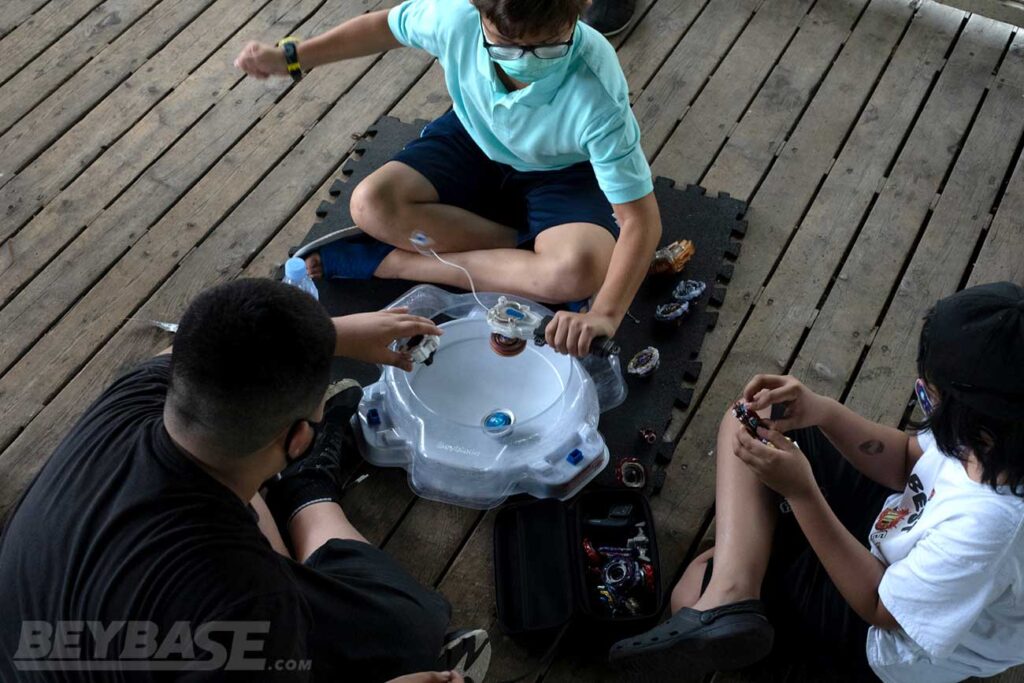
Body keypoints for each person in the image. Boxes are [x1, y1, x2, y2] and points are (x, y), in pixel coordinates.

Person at [0, 279, 490, 683]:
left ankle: (296, 485)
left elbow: (185, 353)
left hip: (39, 639)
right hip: (191, 623)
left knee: (226, 460)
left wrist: (332, 333)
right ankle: (307, 487)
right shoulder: (250, 602)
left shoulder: (133, 399)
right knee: (407, 628)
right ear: (300, 436)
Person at [610, 281, 1024, 682]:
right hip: (902, 528)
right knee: (753, 419)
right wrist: (822, 412)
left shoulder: (990, 523)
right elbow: (907, 457)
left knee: (690, 591)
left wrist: (801, 493)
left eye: (926, 395)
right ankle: (732, 593)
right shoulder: (998, 431)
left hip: (888, 639)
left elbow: (882, 609)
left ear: (975, 419)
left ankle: (731, 588)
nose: (921, 399)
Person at [235, 0, 662, 358]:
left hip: (563, 169)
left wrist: (605, 314)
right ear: (479, 13)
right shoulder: (456, 17)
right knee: (369, 204)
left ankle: (398, 262)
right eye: (507, 47)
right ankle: (521, 252)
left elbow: (640, 221)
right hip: (474, 137)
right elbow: (383, 27)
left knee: (578, 272)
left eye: (549, 46)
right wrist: (290, 56)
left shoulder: (596, 90)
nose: (527, 61)